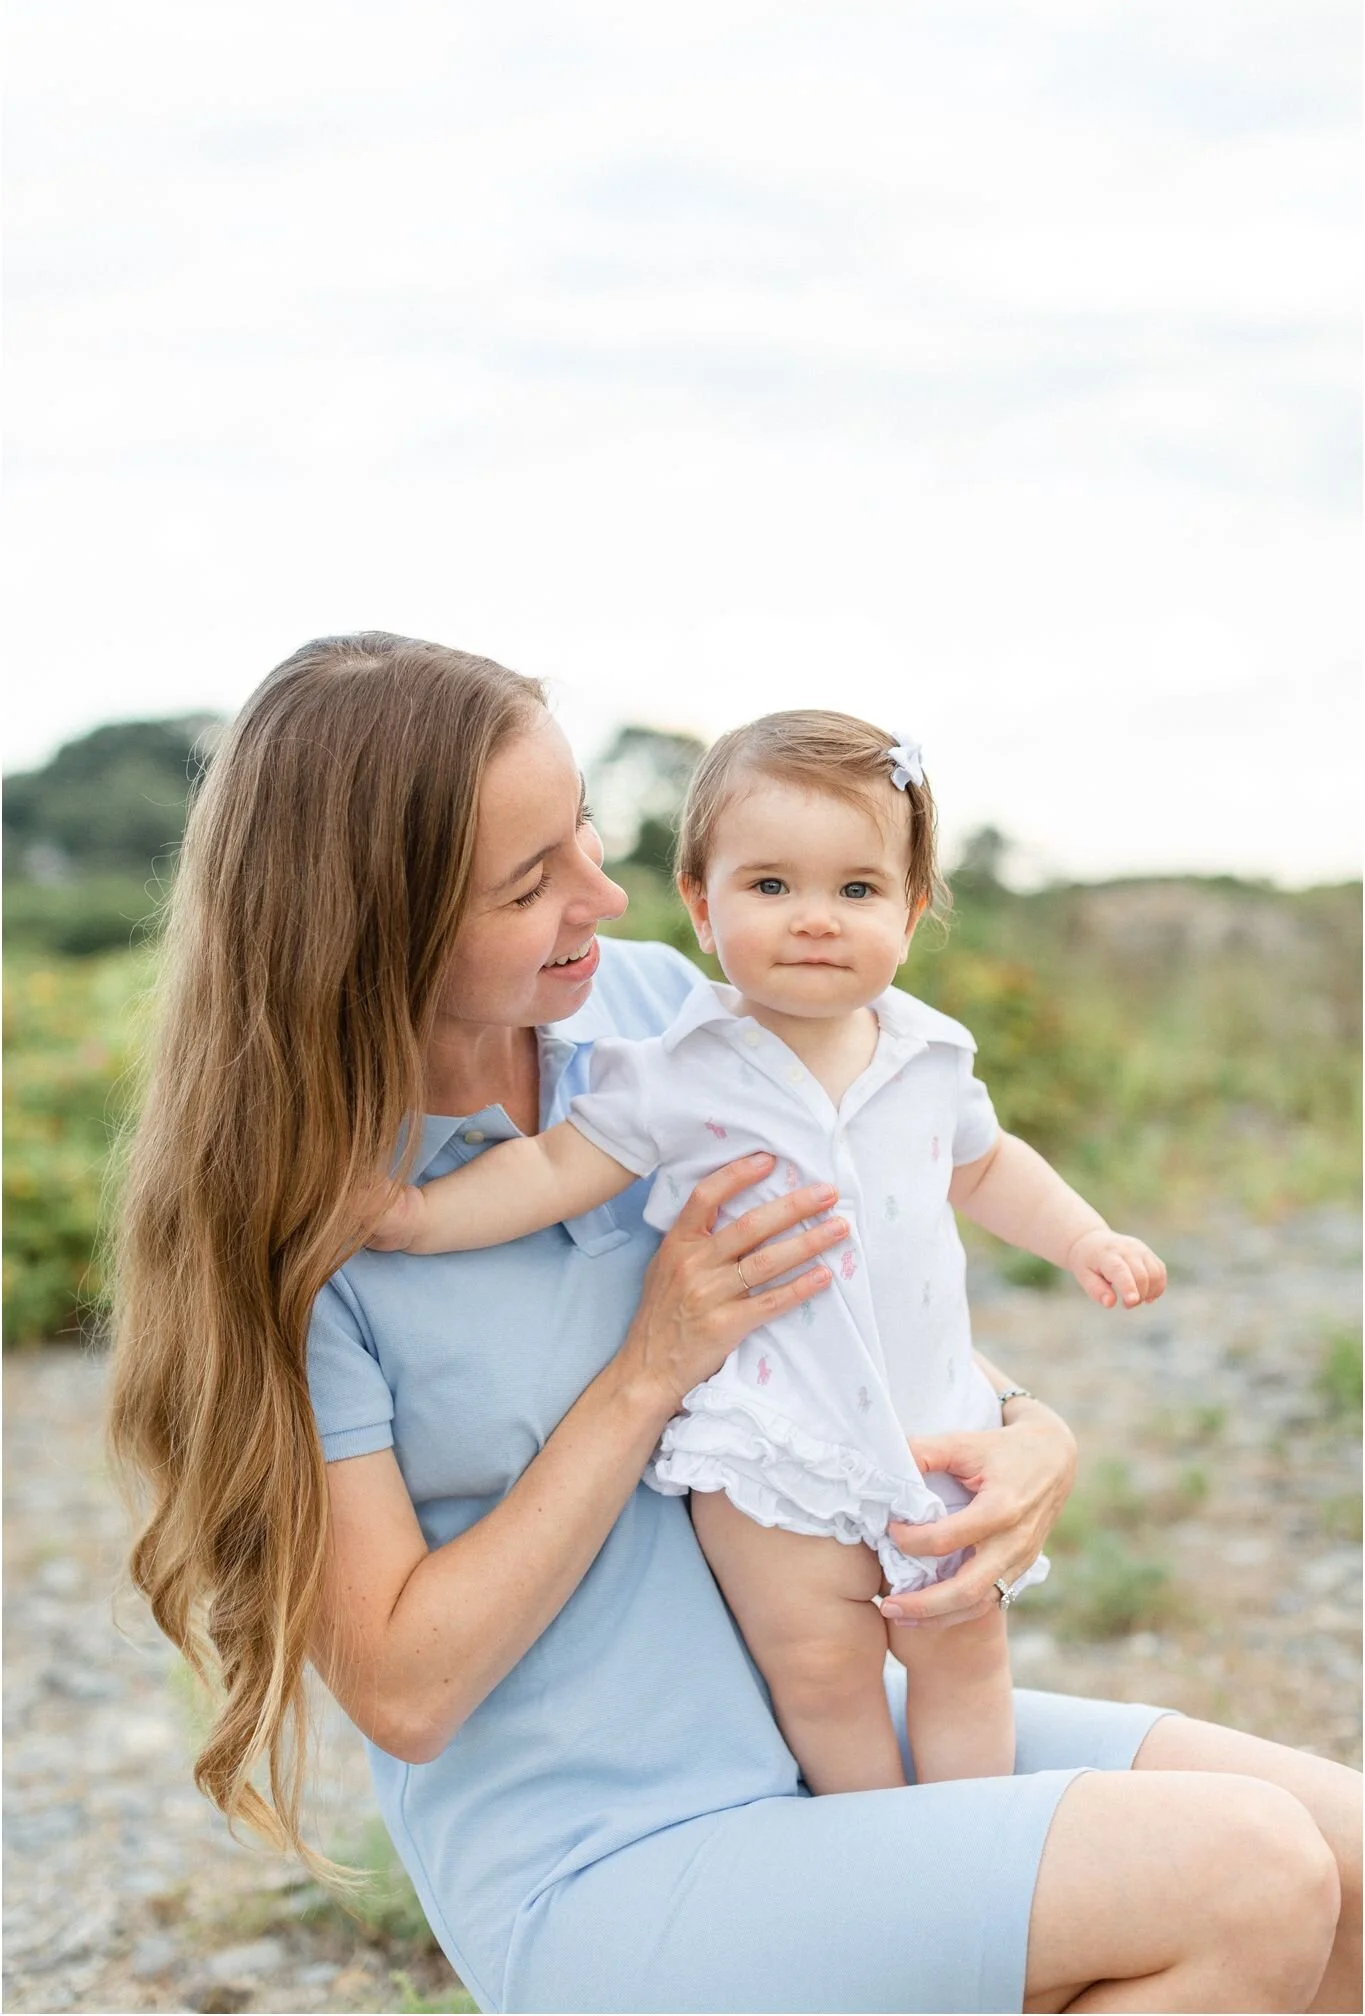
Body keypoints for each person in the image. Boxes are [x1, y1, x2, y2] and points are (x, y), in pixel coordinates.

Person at [108, 632, 1359, 2015]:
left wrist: (1021, 1429)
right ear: (371, 931)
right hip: (612, 1854)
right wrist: (646, 1371)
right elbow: (405, 1691)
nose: (605, 891)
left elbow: (842, 1280)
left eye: (583, 825)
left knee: (1349, 1859)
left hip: (825, 1726)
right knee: (1246, 1877)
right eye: (529, 883)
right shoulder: (304, 1237)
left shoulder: (660, 1005)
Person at [361, 709, 1165, 1793]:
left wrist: (1084, 1237)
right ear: (702, 904)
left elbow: (984, 1166)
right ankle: (869, 1830)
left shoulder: (929, 1054)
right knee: (822, 1672)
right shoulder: (679, 1065)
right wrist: (421, 1217)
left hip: (932, 1426)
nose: (816, 919)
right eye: (771, 886)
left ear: (912, 913)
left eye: (858, 890)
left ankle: (974, 1826)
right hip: (772, 1443)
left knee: (964, 1651)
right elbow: (551, 1169)